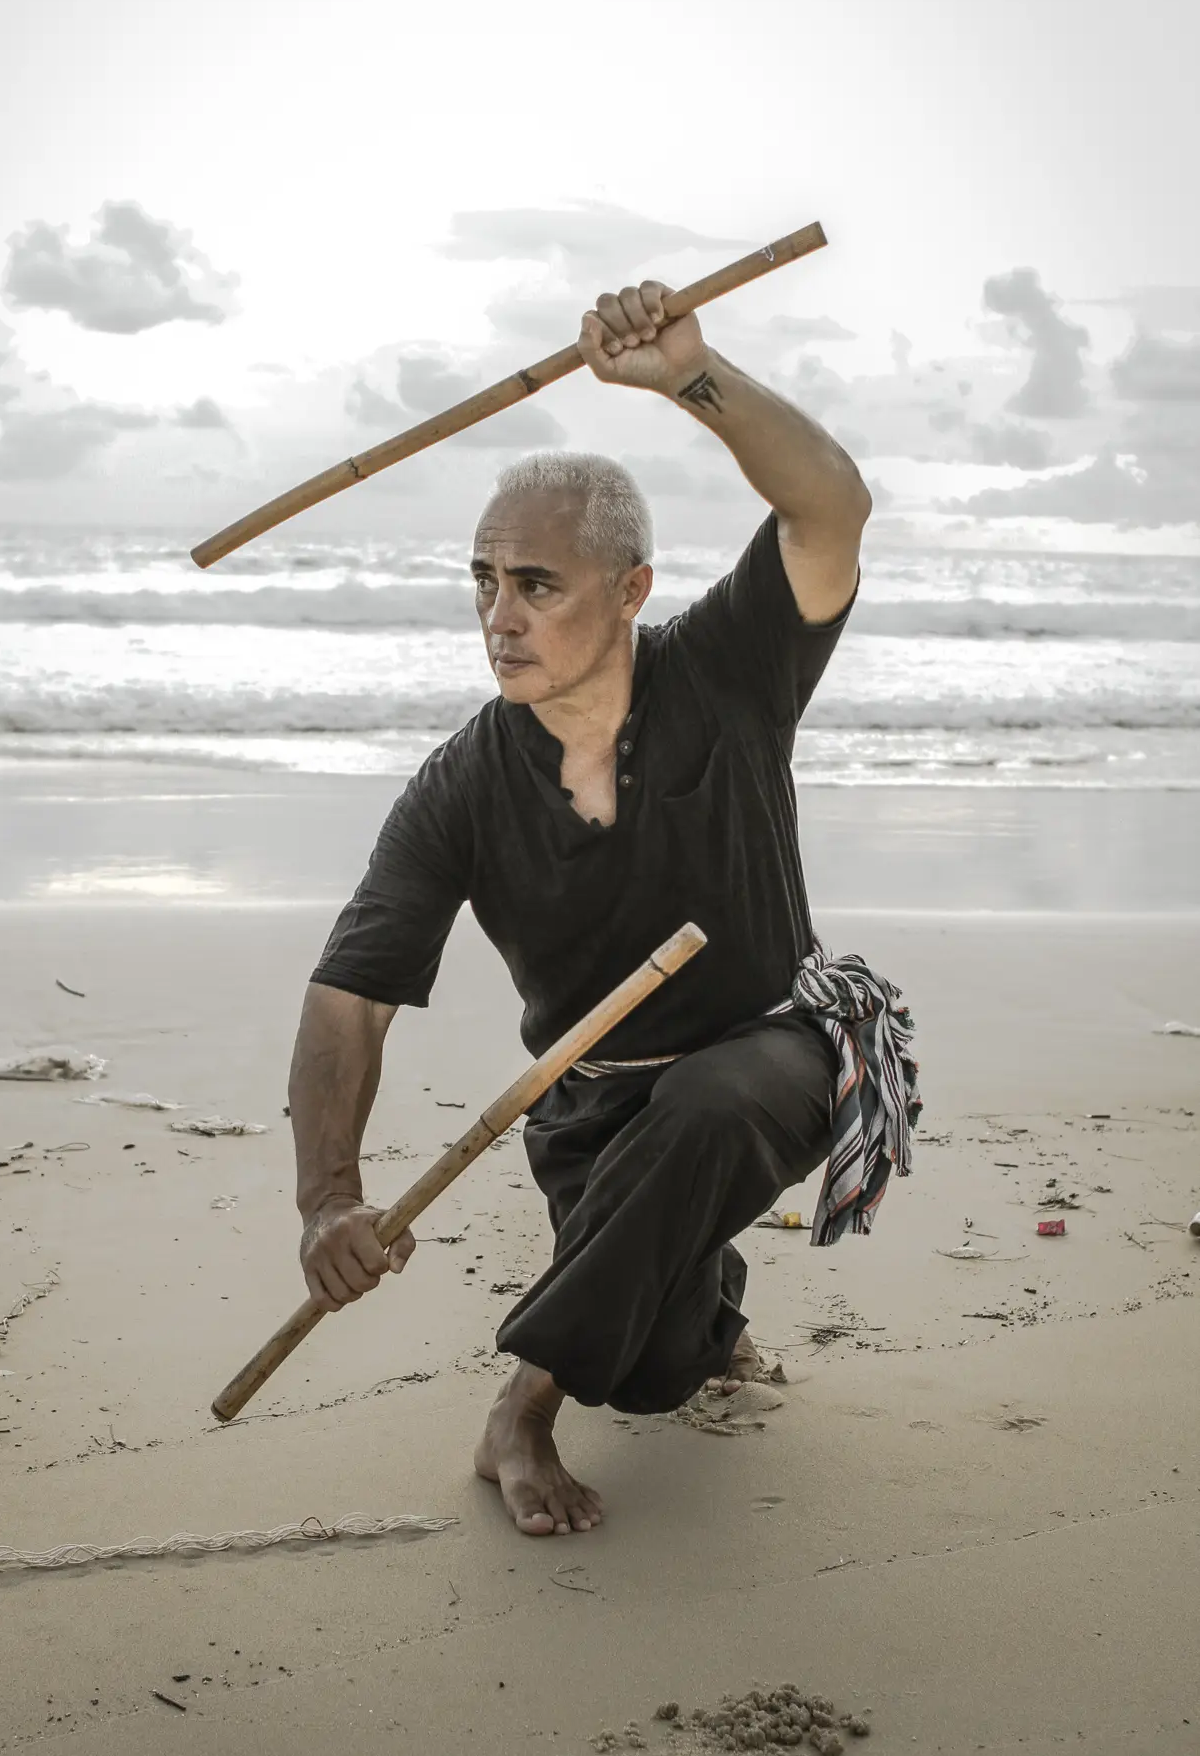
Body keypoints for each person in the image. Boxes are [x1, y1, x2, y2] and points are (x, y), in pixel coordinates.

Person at [287, 276, 919, 1538]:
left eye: (536, 585)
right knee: (654, 1366)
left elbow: (832, 506)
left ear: (628, 592)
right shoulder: (462, 784)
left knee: (707, 1108)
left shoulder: (728, 669)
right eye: (481, 583)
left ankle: (516, 1411)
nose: (498, 619)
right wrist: (328, 1199)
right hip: (594, 1105)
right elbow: (348, 997)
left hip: (779, 1052)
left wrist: (690, 370)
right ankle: (705, 1307)